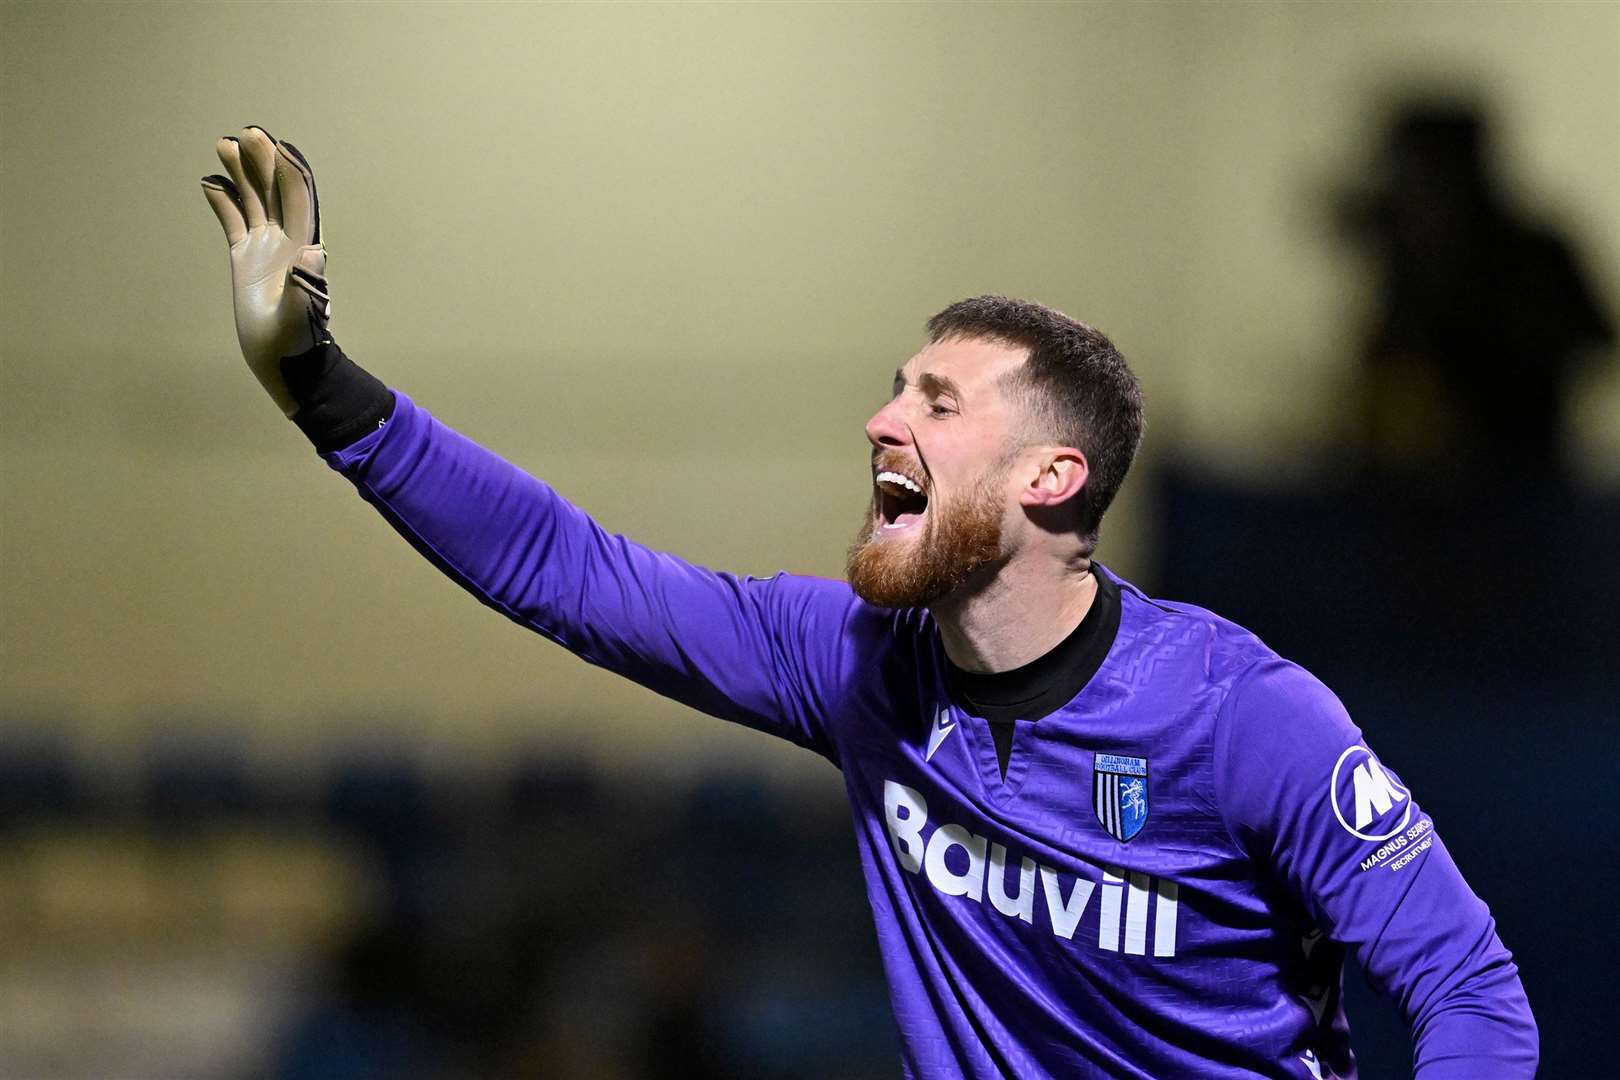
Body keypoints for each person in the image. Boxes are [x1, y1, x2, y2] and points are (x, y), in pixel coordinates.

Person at [201, 126, 1537, 1079]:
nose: (879, 419)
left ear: (1053, 477)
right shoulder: (850, 661)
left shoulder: (1244, 717)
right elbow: (569, 570)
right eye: (896, 387)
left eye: (936, 404)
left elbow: (1472, 994)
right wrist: (317, 381)